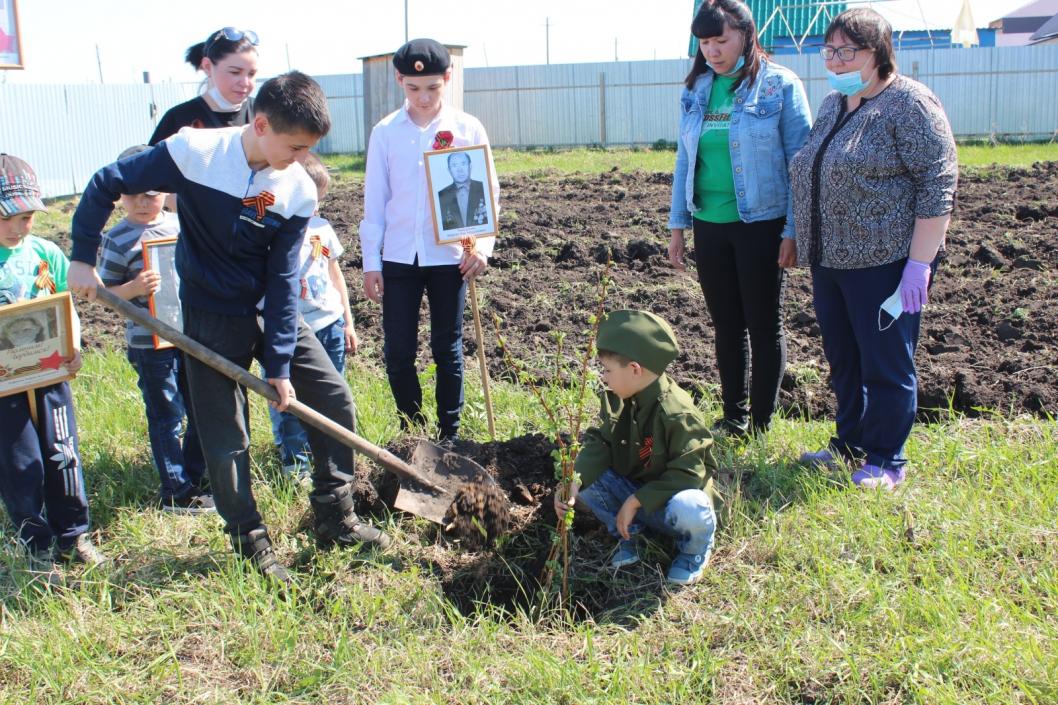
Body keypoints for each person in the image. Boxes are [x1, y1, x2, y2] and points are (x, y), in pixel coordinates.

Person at [68, 72, 390, 585]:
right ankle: (250, 541)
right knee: (226, 435)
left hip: (268, 308)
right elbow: (110, 180)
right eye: (295, 146)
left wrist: (281, 364)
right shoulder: (195, 152)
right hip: (210, 317)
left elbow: (284, 278)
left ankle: (336, 514)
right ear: (260, 125)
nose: (302, 157)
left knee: (333, 398)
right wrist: (83, 256)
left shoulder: (297, 187)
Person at [788, 8, 957, 490]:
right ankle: (850, 444)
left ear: (878, 53)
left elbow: (937, 184)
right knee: (844, 358)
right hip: (831, 261)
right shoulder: (833, 105)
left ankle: (887, 459)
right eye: (829, 50)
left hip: (884, 263)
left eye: (847, 51)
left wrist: (919, 265)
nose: (835, 60)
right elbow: (812, 171)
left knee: (885, 361)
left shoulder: (910, 105)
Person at [668, 0, 812, 438]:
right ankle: (734, 416)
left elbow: (800, 163)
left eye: (721, 40)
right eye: (704, 42)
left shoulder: (779, 86)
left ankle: (762, 423)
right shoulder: (697, 89)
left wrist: (792, 230)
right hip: (710, 224)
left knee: (763, 324)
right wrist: (679, 226)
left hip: (761, 224)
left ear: (746, 36)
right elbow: (683, 159)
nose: (712, 50)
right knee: (726, 325)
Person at [360, 38, 498, 442]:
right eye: (413, 88)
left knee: (447, 348)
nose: (423, 97)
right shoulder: (385, 133)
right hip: (399, 258)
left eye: (433, 87)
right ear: (400, 80)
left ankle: (449, 434)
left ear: (448, 79)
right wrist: (372, 262)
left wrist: (483, 250)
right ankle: (412, 431)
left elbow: (488, 193)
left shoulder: (468, 128)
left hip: (450, 258)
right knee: (398, 352)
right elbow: (375, 201)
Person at [0, 154, 107, 585]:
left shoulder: (46, 253)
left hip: (50, 377)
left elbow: (66, 308)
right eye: (7, 217)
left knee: (63, 453)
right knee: (20, 462)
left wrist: (74, 346)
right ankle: (35, 543)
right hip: (5, 386)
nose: (18, 227)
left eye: (26, 216)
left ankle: (73, 535)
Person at [554, 310, 719, 586]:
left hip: (670, 504)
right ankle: (632, 535)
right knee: (587, 477)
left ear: (634, 370)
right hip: (637, 497)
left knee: (692, 505)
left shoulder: (676, 412)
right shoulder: (621, 398)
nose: (603, 377)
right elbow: (600, 442)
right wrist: (573, 480)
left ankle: (694, 550)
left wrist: (636, 500)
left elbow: (689, 473)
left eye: (607, 370)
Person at [98, 145, 213, 515]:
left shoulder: (181, 226)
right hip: (149, 342)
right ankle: (175, 490)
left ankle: (195, 476)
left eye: (152, 194)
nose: (144, 202)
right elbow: (101, 293)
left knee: (197, 407)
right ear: (121, 196)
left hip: (190, 335)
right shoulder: (117, 239)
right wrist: (132, 290)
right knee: (166, 411)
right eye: (134, 194)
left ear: (165, 191)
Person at [267, 152, 358, 478]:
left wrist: (347, 321)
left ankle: (333, 456)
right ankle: (296, 462)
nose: (315, 207)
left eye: (320, 200)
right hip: (288, 329)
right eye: (310, 199)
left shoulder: (322, 229)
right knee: (287, 399)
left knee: (332, 393)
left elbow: (336, 276)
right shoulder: (272, 231)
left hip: (329, 323)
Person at [149, 27, 259, 145]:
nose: (245, 82)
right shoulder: (179, 118)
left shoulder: (263, 112)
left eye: (251, 74)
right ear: (207, 66)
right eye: (235, 72)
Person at [438, 151, 488, 230]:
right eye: (454, 165)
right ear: (449, 170)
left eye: (463, 164)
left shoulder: (484, 189)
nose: (459, 170)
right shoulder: (441, 196)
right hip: (451, 241)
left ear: (470, 166)